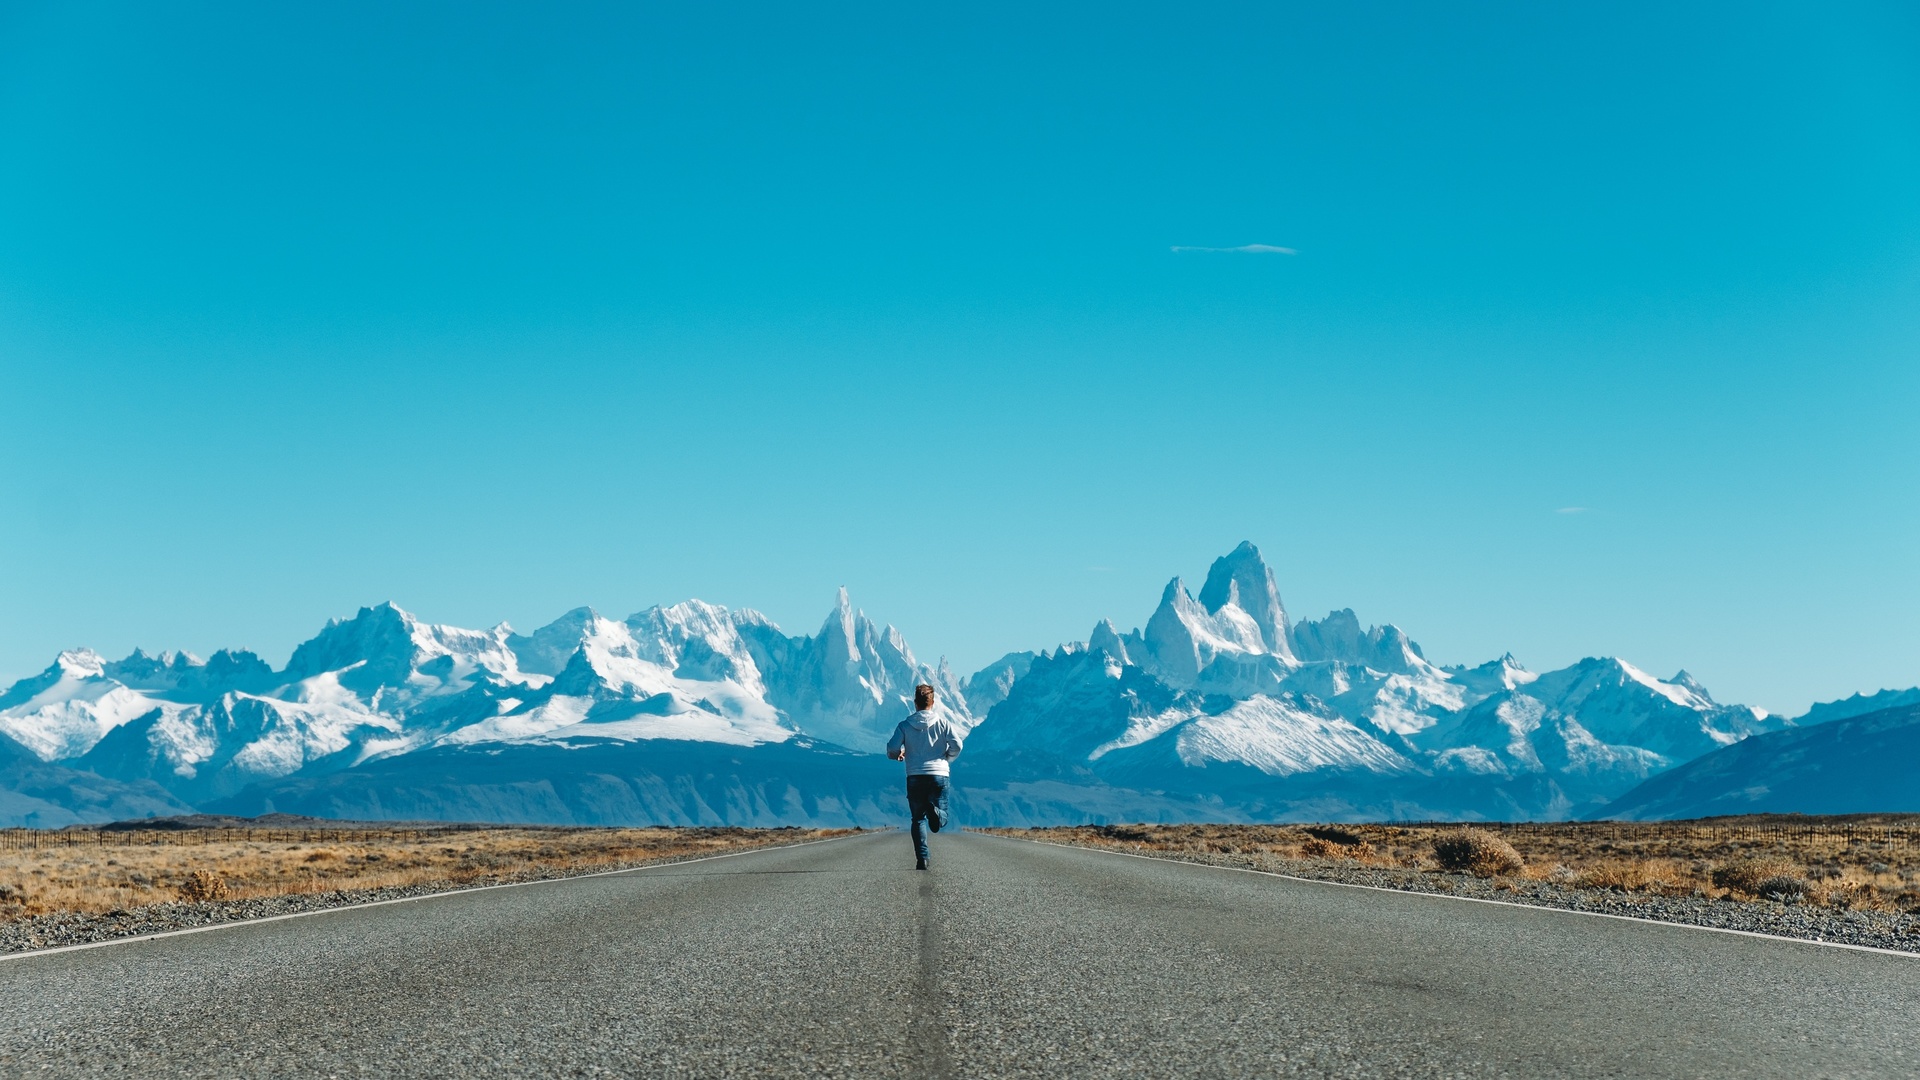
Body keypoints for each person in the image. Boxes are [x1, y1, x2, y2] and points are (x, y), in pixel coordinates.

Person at [886, 683, 963, 870]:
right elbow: (957, 745)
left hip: (915, 775)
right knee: (941, 819)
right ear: (933, 702)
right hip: (939, 774)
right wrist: (947, 758)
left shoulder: (904, 726)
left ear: (915, 703)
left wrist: (899, 754)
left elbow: (891, 748)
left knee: (917, 818)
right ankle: (936, 813)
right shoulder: (943, 723)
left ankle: (923, 858)